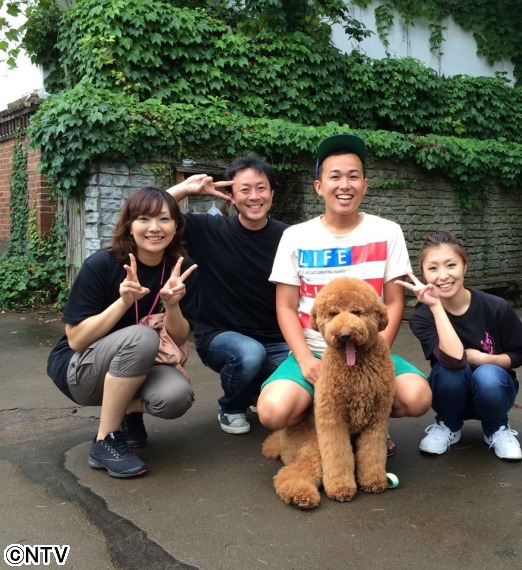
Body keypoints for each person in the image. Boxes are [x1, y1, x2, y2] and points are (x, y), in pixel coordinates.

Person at [256, 133, 432, 455]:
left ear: (365, 185)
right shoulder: (296, 236)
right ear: (319, 186)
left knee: (417, 397)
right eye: (334, 176)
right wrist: (305, 360)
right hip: (316, 351)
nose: (344, 185)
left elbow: (394, 301)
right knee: (273, 411)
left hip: (368, 349)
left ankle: (365, 426)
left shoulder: (388, 232)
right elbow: (286, 307)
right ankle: (321, 426)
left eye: (353, 176)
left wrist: (377, 353)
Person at [46, 187, 199, 478]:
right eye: (144, 219)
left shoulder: (182, 269)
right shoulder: (102, 264)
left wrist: (172, 304)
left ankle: (129, 412)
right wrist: (123, 302)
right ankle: (105, 440)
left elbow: (179, 339)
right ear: (129, 225)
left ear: (176, 225)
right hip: (79, 368)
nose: (154, 228)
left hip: (138, 364)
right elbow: (76, 339)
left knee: (176, 397)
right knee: (142, 337)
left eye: (164, 219)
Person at [167, 155, 289, 435]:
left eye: (261, 188)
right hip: (221, 337)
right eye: (244, 189)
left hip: (275, 339)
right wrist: (185, 189)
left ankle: (259, 390)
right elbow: (146, 211)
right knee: (250, 353)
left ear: (272, 193)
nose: (254, 196)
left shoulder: (289, 237)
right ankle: (232, 406)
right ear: (231, 196)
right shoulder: (208, 229)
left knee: (308, 368)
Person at [399, 231, 522, 460]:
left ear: (465, 267)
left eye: (451, 265)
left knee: (487, 374)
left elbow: (518, 356)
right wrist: (436, 306)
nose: (443, 276)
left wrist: (485, 359)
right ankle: (448, 424)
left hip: (494, 391)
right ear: (423, 274)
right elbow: (454, 361)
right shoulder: (422, 317)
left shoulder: (496, 306)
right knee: (450, 370)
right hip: (449, 392)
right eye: (433, 268)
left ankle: (497, 427)